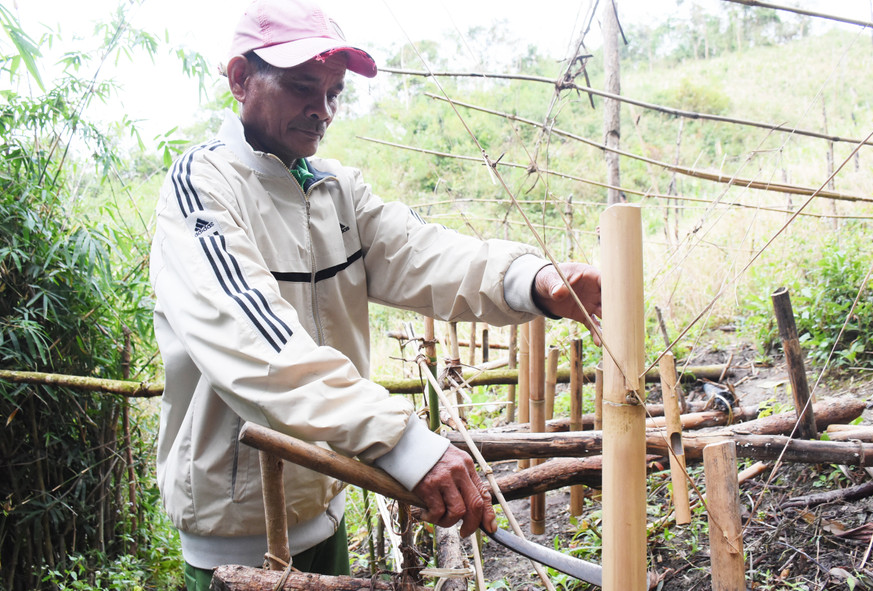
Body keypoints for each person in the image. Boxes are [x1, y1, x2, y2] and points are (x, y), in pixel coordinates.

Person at [148, 0, 603, 588]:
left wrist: (534, 280)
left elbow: (425, 252)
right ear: (240, 79)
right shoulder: (201, 190)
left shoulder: (334, 190)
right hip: (234, 529)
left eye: (334, 92)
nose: (322, 109)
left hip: (322, 500)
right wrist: (407, 443)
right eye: (302, 86)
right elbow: (260, 347)